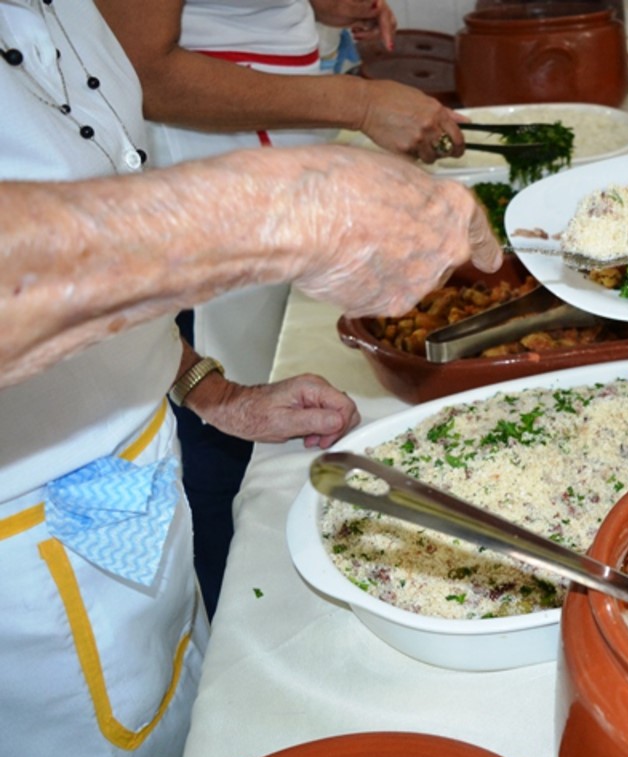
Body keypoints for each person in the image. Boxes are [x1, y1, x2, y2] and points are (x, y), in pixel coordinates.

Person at [0, 1, 499, 757]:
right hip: (27, 576)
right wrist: (283, 210)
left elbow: (92, 202)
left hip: (134, 501)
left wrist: (203, 386)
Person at [98, 0, 470, 614]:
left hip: (277, 199)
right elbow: (141, 70)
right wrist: (363, 103)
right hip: (205, 215)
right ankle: (242, 625)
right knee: (225, 462)